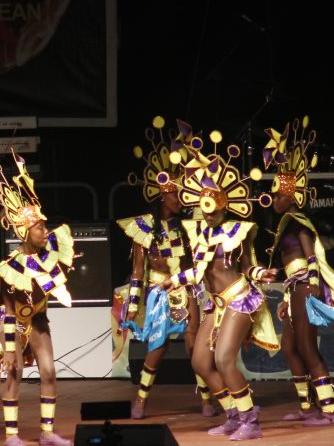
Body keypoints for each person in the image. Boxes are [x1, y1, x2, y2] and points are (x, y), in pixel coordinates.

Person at [160, 128, 279, 441]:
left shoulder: (238, 231)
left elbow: (247, 265)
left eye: (213, 210)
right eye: (204, 210)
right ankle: (232, 415)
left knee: (224, 359)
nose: (208, 216)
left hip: (239, 298)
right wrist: (173, 280)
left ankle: (251, 421)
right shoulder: (200, 235)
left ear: (224, 206)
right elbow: (199, 272)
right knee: (201, 362)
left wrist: (261, 274)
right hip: (215, 305)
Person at [114, 117, 216, 419]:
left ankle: (207, 400)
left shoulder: (189, 226)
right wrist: (133, 305)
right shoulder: (144, 227)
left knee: (193, 346)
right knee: (156, 350)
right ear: (162, 195)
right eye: (174, 195)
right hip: (159, 293)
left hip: (186, 289)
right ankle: (141, 399)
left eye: (182, 195)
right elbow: (138, 270)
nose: (180, 200)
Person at [262, 117, 334, 426]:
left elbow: (310, 254)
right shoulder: (285, 222)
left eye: (279, 195)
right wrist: (284, 295)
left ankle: (330, 410)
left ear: (292, 196)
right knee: (290, 348)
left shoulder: (298, 221)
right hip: (295, 289)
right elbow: (291, 266)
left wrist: (314, 283)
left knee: (306, 347)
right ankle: (306, 406)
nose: (274, 200)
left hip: (305, 288)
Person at [0, 149, 75, 446]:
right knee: (15, 371)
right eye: (40, 227)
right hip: (10, 320)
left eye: (44, 226)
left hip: (36, 317)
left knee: (48, 370)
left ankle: (47, 432)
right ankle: (11, 435)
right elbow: (8, 310)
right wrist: (10, 349)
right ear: (25, 232)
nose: (45, 231)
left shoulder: (50, 258)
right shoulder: (10, 267)